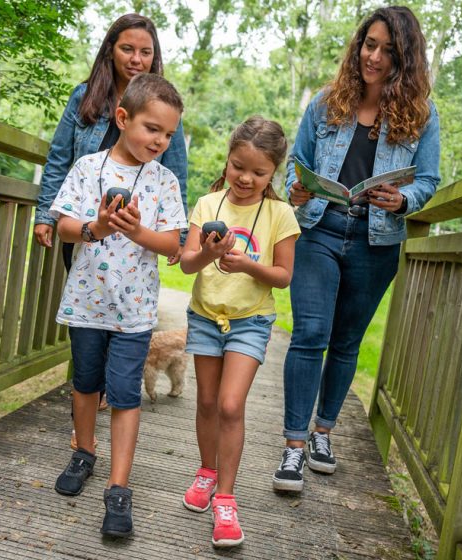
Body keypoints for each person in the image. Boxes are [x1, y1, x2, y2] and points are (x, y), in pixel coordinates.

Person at [272, 6, 441, 493]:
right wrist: (298, 188)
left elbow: (427, 178)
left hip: (376, 239)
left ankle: (324, 431)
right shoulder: (327, 102)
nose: (374, 56)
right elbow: (297, 164)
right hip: (320, 229)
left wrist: (403, 197)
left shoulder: (422, 114)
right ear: (358, 46)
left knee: (346, 342)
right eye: (369, 44)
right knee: (310, 332)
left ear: (405, 58)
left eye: (388, 50)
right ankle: (293, 447)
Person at [33, 13, 189, 448]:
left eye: (145, 51)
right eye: (127, 49)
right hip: (87, 220)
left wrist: (178, 234)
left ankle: (104, 394)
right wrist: (48, 213)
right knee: (88, 312)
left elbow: (175, 172)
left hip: (138, 229)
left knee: (120, 317)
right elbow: (60, 156)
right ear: (110, 50)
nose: (136, 58)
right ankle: (87, 402)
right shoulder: (86, 97)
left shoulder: (162, 107)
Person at [48, 73, 187, 538]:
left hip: (135, 311)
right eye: (152, 129)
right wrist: (98, 228)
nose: (161, 141)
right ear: (123, 118)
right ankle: (84, 451)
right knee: (86, 381)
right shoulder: (88, 168)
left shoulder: (165, 181)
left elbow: (172, 241)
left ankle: (118, 486)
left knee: (125, 392)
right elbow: (66, 224)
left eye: (168, 134)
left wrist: (134, 230)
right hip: (88, 302)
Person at [179, 117, 301, 547]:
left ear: (274, 174)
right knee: (208, 402)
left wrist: (247, 264)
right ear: (227, 161)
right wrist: (208, 253)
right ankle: (206, 471)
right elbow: (187, 262)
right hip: (206, 315)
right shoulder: (207, 205)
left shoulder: (280, 214)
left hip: (251, 320)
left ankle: (226, 499)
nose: (246, 178)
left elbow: (283, 276)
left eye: (259, 172)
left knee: (231, 405)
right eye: (238, 167)